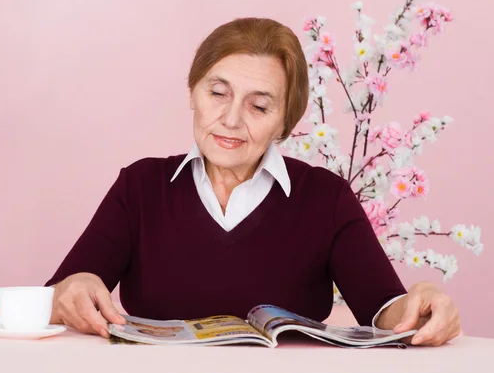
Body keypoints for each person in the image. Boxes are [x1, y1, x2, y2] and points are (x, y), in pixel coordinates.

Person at [45, 17, 460, 347]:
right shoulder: (140, 186)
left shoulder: (325, 197)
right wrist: (72, 288)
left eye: (258, 106)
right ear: (193, 93)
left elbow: (383, 309)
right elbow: (57, 298)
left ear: (286, 121)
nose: (230, 120)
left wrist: (420, 306)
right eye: (218, 93)